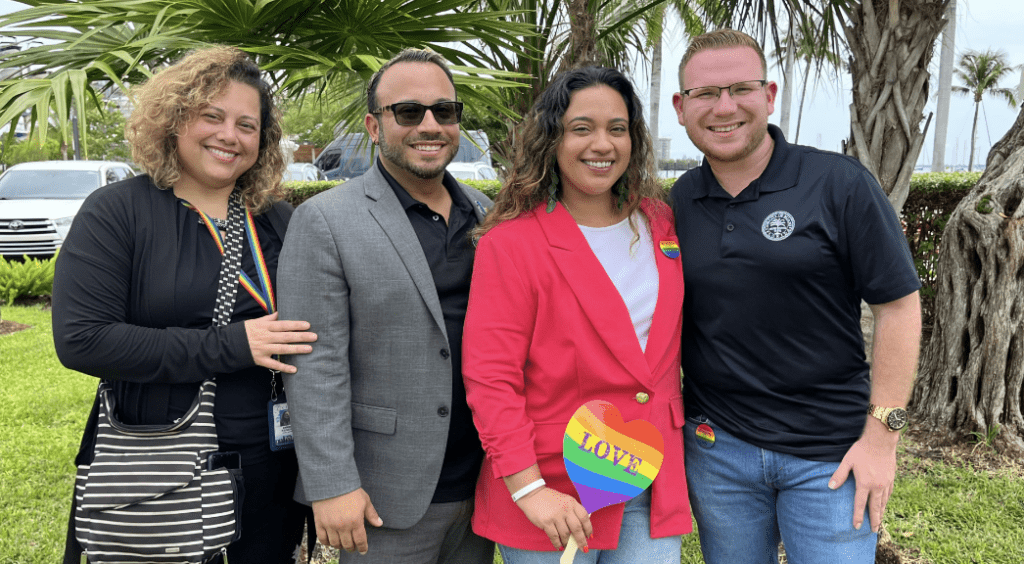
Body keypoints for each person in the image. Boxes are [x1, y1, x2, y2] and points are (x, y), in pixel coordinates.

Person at [52, 46, 318, 564]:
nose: (230, 135)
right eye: (212, 116)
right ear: (174, 120)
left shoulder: (277, 220)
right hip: (164, 463)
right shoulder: (118, 212)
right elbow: (82, 338)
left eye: (247, 124)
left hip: (273, 463)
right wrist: (232, 345)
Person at [669, 29, 922, 563]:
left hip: (830, 456)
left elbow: (899, 308)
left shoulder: (838, 184)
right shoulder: (678, 201)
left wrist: (883, 440)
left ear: (770, 96)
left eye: (741, 88)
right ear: (680, 107)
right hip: (718, 452)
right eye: (706, 94)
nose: (724, 107)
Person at [462, 66, 692, 564]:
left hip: (649, 479)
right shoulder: (512, 244)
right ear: (553, 139)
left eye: (617, 128)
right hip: (554, 490)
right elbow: (491, 378)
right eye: (581, 128)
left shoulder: (660, 222)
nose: (602, 144)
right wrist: (530, 490)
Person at [276, 48, 495, 564]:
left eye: (444, 111)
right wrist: (331, 484)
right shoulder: (326, 221)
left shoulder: (487, 215)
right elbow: (313, 364)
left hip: (484, 485)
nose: (430, 125)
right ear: (375, 127)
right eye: (408, 112)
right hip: (384, 495)